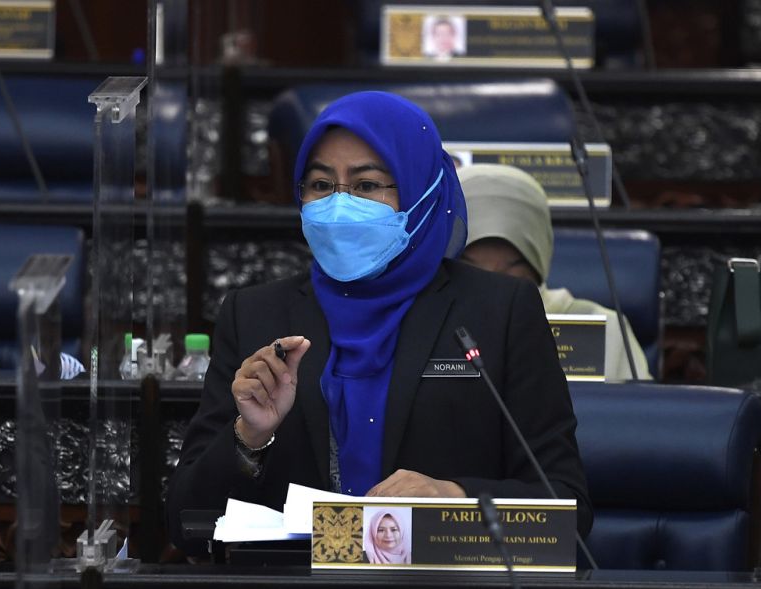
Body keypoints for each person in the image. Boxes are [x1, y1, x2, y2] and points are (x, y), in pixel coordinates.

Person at [166, 91, 592, 553]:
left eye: (367, 186)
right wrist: (250, 438)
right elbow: (188, 522)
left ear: (422, 193)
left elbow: (567, 506)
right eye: (321, 186)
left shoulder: (499, 311)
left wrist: (453, 496)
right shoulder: (254, 314)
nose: (340, 205)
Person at [458, 163, 652, 381]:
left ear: (538, 262)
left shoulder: (607, 332)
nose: (491, 286)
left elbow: (635, 412)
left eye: (509, 271)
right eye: (471, 268)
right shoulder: (421, 327)